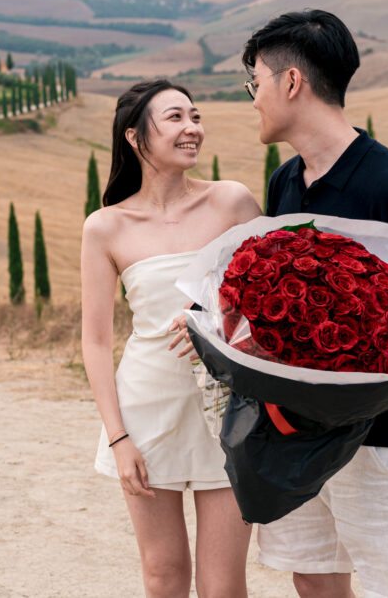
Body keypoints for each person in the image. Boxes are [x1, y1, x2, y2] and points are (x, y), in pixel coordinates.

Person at [240, 9, 388, 598]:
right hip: (300, 430)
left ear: (292, 83)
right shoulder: (286, 182)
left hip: (382, 433)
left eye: (254, 83)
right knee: (312, 575)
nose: (253, 99)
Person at [81, 79, 261, 597]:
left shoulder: (232, 202)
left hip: (228, 412)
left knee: (223, 584)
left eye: (196, 117)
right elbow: (95, 341)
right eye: (177, 118)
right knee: (163, 573)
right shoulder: (105, 227)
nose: (193, 129)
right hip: (145, 411)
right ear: (136, 138)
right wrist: (118, 439)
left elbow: (271, 296)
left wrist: (215, 306)